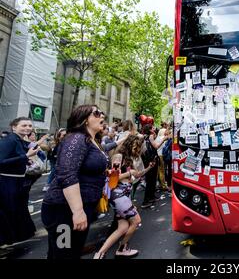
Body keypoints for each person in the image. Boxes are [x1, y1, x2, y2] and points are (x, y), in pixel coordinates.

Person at [41, 105, 109, 259]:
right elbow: (67, 174)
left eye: (102, 112)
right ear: (84, 119)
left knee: (68, 253)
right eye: (97, 113)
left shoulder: (93, 141)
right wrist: (77, 211)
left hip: (80, 207)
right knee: (63, 254)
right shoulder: (76, 138)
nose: (102, 116)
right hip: (63, 210)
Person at [93, 136, 155, 259]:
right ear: (129, 144)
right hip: (118, 195)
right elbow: (112, 178)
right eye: (136, 147)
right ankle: (122, 249)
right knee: (136, 221)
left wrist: (149, 168)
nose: (137, 150)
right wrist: (129, 173)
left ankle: (100, 254)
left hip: (124, 195)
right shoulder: (118, 156)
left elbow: (136, 175)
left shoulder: (129, 159)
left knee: (123, 227)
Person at [0, 117, 39, 247]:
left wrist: (26, 160)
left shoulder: (19, 140)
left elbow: (14, 157)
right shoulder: (10, 140)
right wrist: (26, 156)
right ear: (14, 127)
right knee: (8, 210)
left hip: (16, 180)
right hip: (7, 181)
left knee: (16, 209)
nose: (27, 128)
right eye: (23, 125)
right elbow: (1, 161)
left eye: (29, 125)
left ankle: (15, 236)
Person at [141, 124, 169, 208]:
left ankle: (152, 197)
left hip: (150, 160)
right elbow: (156, 146)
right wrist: (164, 139)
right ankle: (146, 201)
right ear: (150, 130)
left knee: (152, 179)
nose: (155, 128)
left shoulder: (147, 136)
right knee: (150, 180)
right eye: (153, 128)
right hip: (151, 160)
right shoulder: (150, 136)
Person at [156, 122, 169, 191]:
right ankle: (163, 185)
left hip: (157, 155)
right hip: (161, 156)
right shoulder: (164, 138)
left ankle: (160, 184)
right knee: (162, 171)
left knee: (159, 171)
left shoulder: (157, 137)